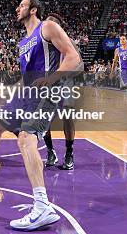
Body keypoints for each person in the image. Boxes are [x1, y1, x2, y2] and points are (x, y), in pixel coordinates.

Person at [0, 0, 82, 231]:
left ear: (33, 10)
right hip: (26, 93)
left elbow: (74, 59)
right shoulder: (24, 41)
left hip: (47, 93)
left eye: (22, 5)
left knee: (26, 138)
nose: (17, 8)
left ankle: (43, 206)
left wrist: (52, 78)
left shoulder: (48, 27)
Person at [42, 13, 80, 170]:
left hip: (65, 84)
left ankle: (69, 153)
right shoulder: (41, 43)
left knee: (68, 118)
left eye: (51, 24)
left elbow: (79, 64)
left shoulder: (68, 43)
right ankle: (50, 151)